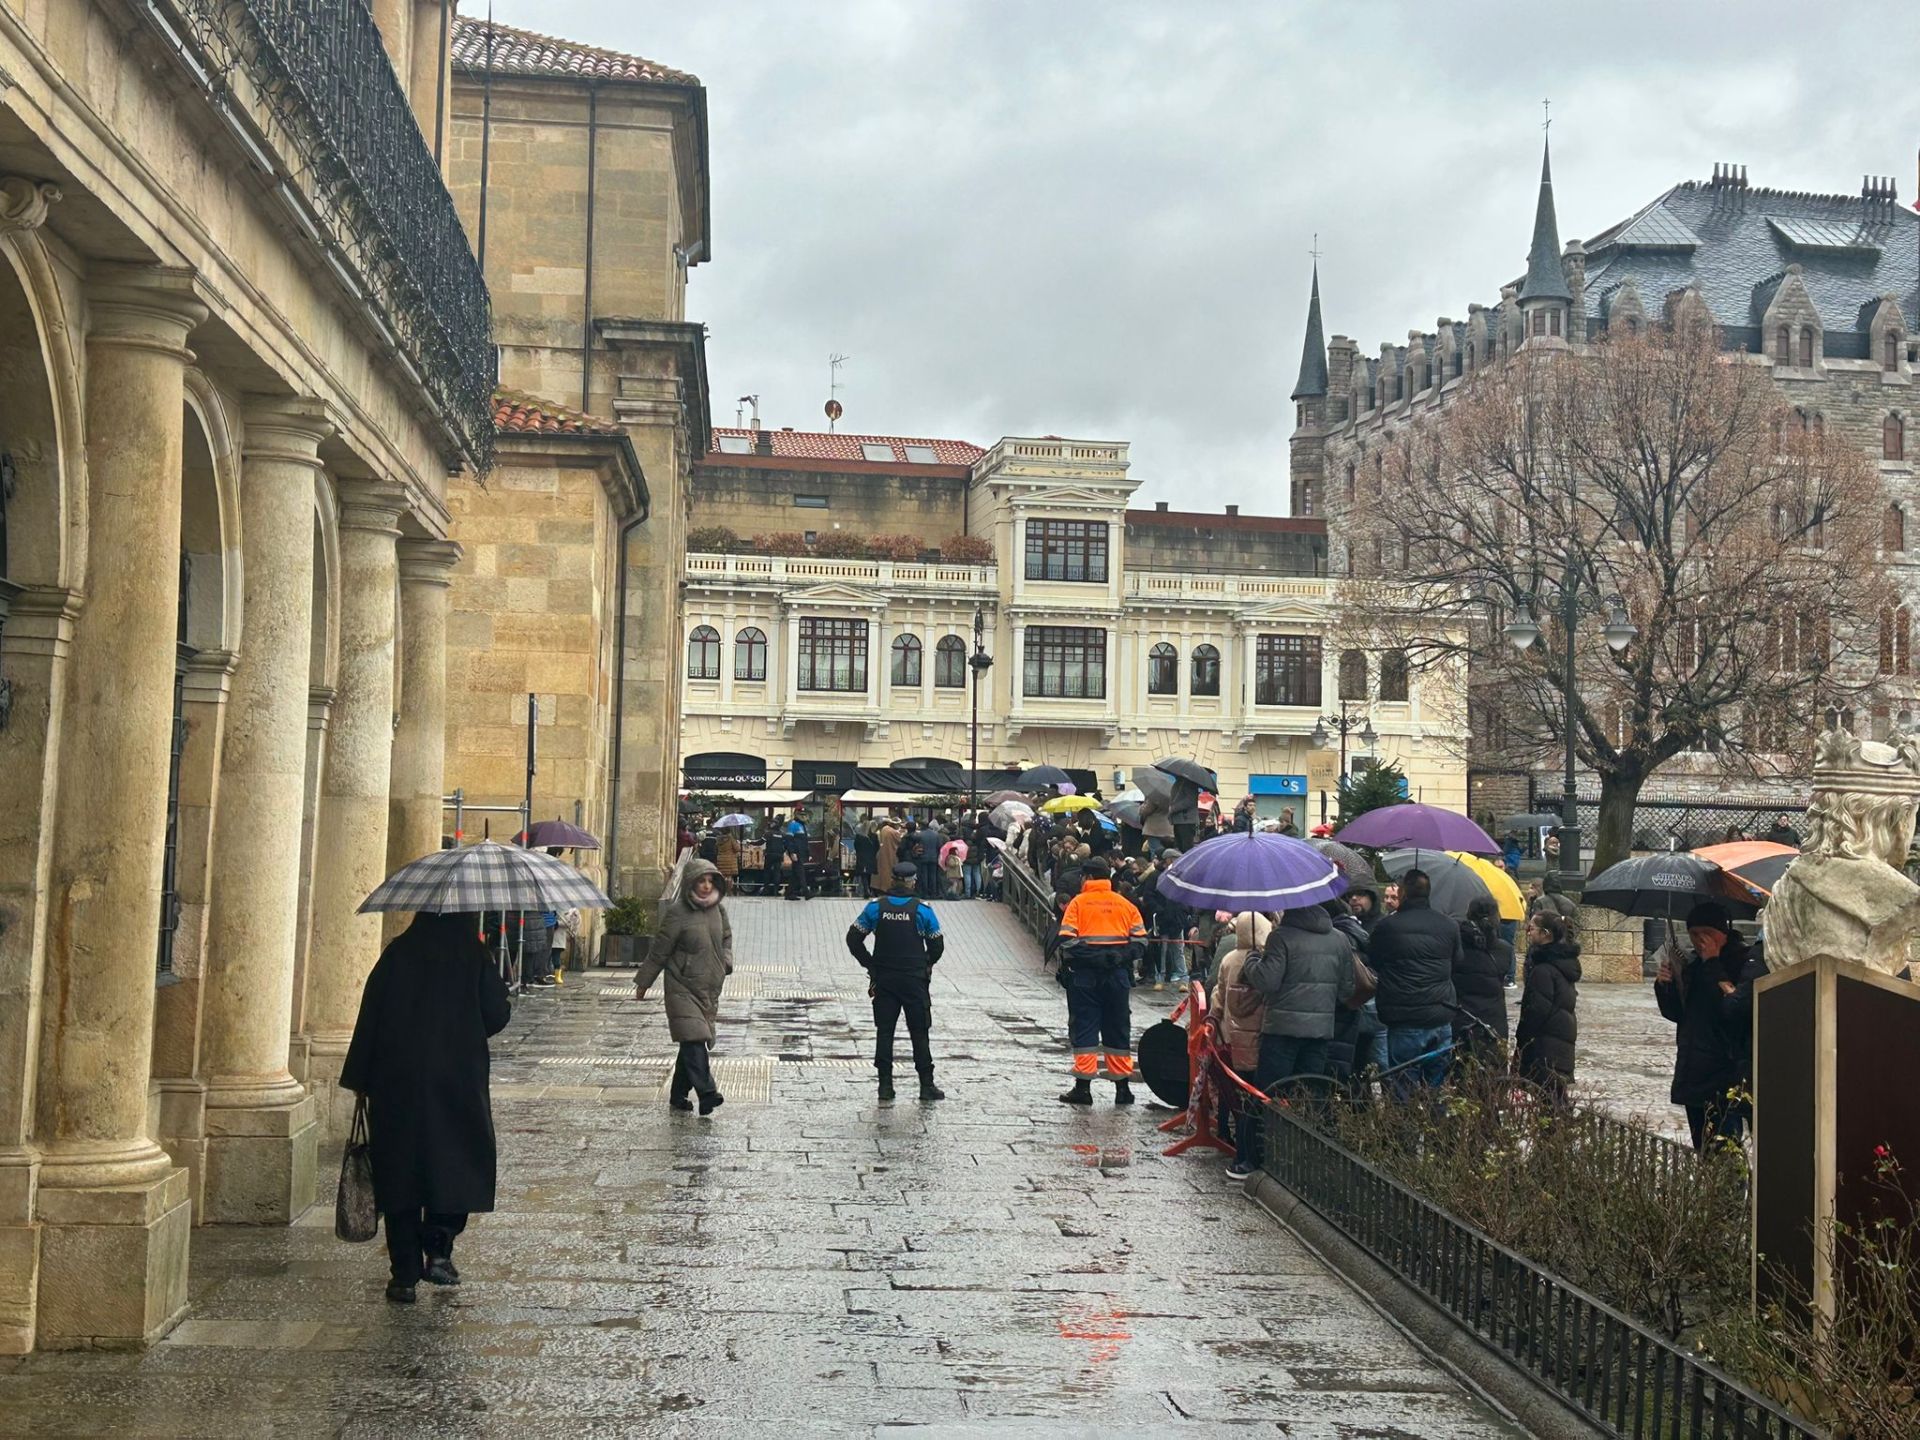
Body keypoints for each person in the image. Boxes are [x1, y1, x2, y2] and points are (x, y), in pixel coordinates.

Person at [341, 911, 510, 1304]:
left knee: (398, 1172)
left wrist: (361, 1079)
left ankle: (403, 1274)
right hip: (455, 1082)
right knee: (453, 1165)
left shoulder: (397, 953)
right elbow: (497, 1015)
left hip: (395, 1082)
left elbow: (371, 1017)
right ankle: (438, 1250)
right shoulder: (472, 954)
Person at [1243, 897, 1358, 1165]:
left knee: (1268, 1094)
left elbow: (1267, 981)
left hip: (1281, 1031)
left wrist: (1252, 961)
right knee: (1309, 1095)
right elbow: (1346, 990)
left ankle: (1256, 1157)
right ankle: (1303, 1159)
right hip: (1319, 1033)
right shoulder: (1339, 939)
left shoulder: (1281, 937)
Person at [1655, 901, 1764, 1150]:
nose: (1699, 940)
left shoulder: (1742, 963)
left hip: (1724, 1070)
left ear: (1721, 933)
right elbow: (1678, 1013)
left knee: (1725, 1148)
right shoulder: (1694, 965)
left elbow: (1731, 1009)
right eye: (1693, 934)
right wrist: (1666, 985)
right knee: (1704, 1148)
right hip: (1694, 1067)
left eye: (1706, 933)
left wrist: (1713, 962)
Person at [634, 859, 733, 1116]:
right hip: (682, 986)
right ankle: (707, 1093)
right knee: (694, 1039)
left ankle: (678, 1094)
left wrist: (726, 960)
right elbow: (659, 950)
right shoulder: (677, 913)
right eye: (701, 880)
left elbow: (726, 938)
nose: (706, 885)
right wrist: (644, 981)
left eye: (710, 881)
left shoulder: (718, 910)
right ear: (691, 882)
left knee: (691, 1040)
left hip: (708, 988)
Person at [846, 862, 947, 1103]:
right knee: (919, 1031)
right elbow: (937, 944)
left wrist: (869, 963)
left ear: (892, 880)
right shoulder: (922, 910)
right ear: (912, 881)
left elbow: (853, 938)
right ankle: (926, 1085)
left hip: (884, 979)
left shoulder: (876, 908)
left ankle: (885, 1086)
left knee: (885, 1031)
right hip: (914, 979)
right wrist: (926, 963)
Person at [1054, 857, 1147, 1105]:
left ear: (1088, 878)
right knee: (1117, 1027)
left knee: (1085, 1026)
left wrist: (1095, 957)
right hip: (1118, 977)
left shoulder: (1077, 904)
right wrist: (1117, 956)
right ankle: (1122, 1089)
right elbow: (1140, 942)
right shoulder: (1125, 905)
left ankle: (1083, 1088)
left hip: (1085, 977)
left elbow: (1067, 940)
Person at [1365, 869, 1460, 1096]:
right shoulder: (1448, 925)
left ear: (1404, 892)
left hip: (1404, 1015)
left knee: (1402, 1088)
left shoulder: (1389, 926)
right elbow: (1457, 961)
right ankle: (1436, 1130)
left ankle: (1404, 1130)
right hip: (1440, 1013)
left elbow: (1374, 960)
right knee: (1436, 1089)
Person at [1213, 912, 1271, 1181]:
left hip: (1230, 1037)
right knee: (1256, 1095)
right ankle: (1250, 1152)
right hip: (1258, 1039)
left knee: (1234, 1093)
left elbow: (1219, 995)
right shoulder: (1267, 961)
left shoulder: (1228, 959)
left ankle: (1229, 1134)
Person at [1514, 910, 1581, 1104]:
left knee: (1551, 1104)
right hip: (1559, 1041)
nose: (1528, 932)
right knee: (1555, 1101)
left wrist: (1522, 1039)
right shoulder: (1561, 964)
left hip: (1546, 1046)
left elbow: (1536, 1011)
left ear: (1546, 934)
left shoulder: (1543, 971)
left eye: (1532, 928)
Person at [1452, 897, 1511, 1072]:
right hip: (1494, 1020)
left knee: (1461, 1073)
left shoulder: (1456, 944)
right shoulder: (1504, 949)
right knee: (1492, 1075)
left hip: (1462, 1017)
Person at [783, 811, 813, 902]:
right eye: (802, 815)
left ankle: (789, 893)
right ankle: (806, 892)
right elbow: (789, 839)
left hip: (801, 853)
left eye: (805, 815)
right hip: (796, 853)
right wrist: (792, 852)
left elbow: (805, 842)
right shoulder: (793, 825)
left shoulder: (803, 826)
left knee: (795, 875)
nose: (804, 817)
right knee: (801, 873)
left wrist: (809, 853)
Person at [851, 822, 878, 898]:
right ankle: (868, 889)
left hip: (862, 858)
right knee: (869, 874)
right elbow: (877, 847)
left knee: (863, 875)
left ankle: (866, 890)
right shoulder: (874, 836)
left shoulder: (858, 837)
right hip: (871, 858)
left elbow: (856, 846)